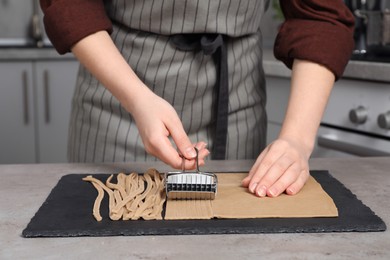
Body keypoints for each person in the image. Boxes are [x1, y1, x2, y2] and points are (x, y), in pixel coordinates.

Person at [40, 0, 354, 198]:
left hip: (237, 106)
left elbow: (319, 17)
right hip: (118, 102)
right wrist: (136, 99)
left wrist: (298, 140)